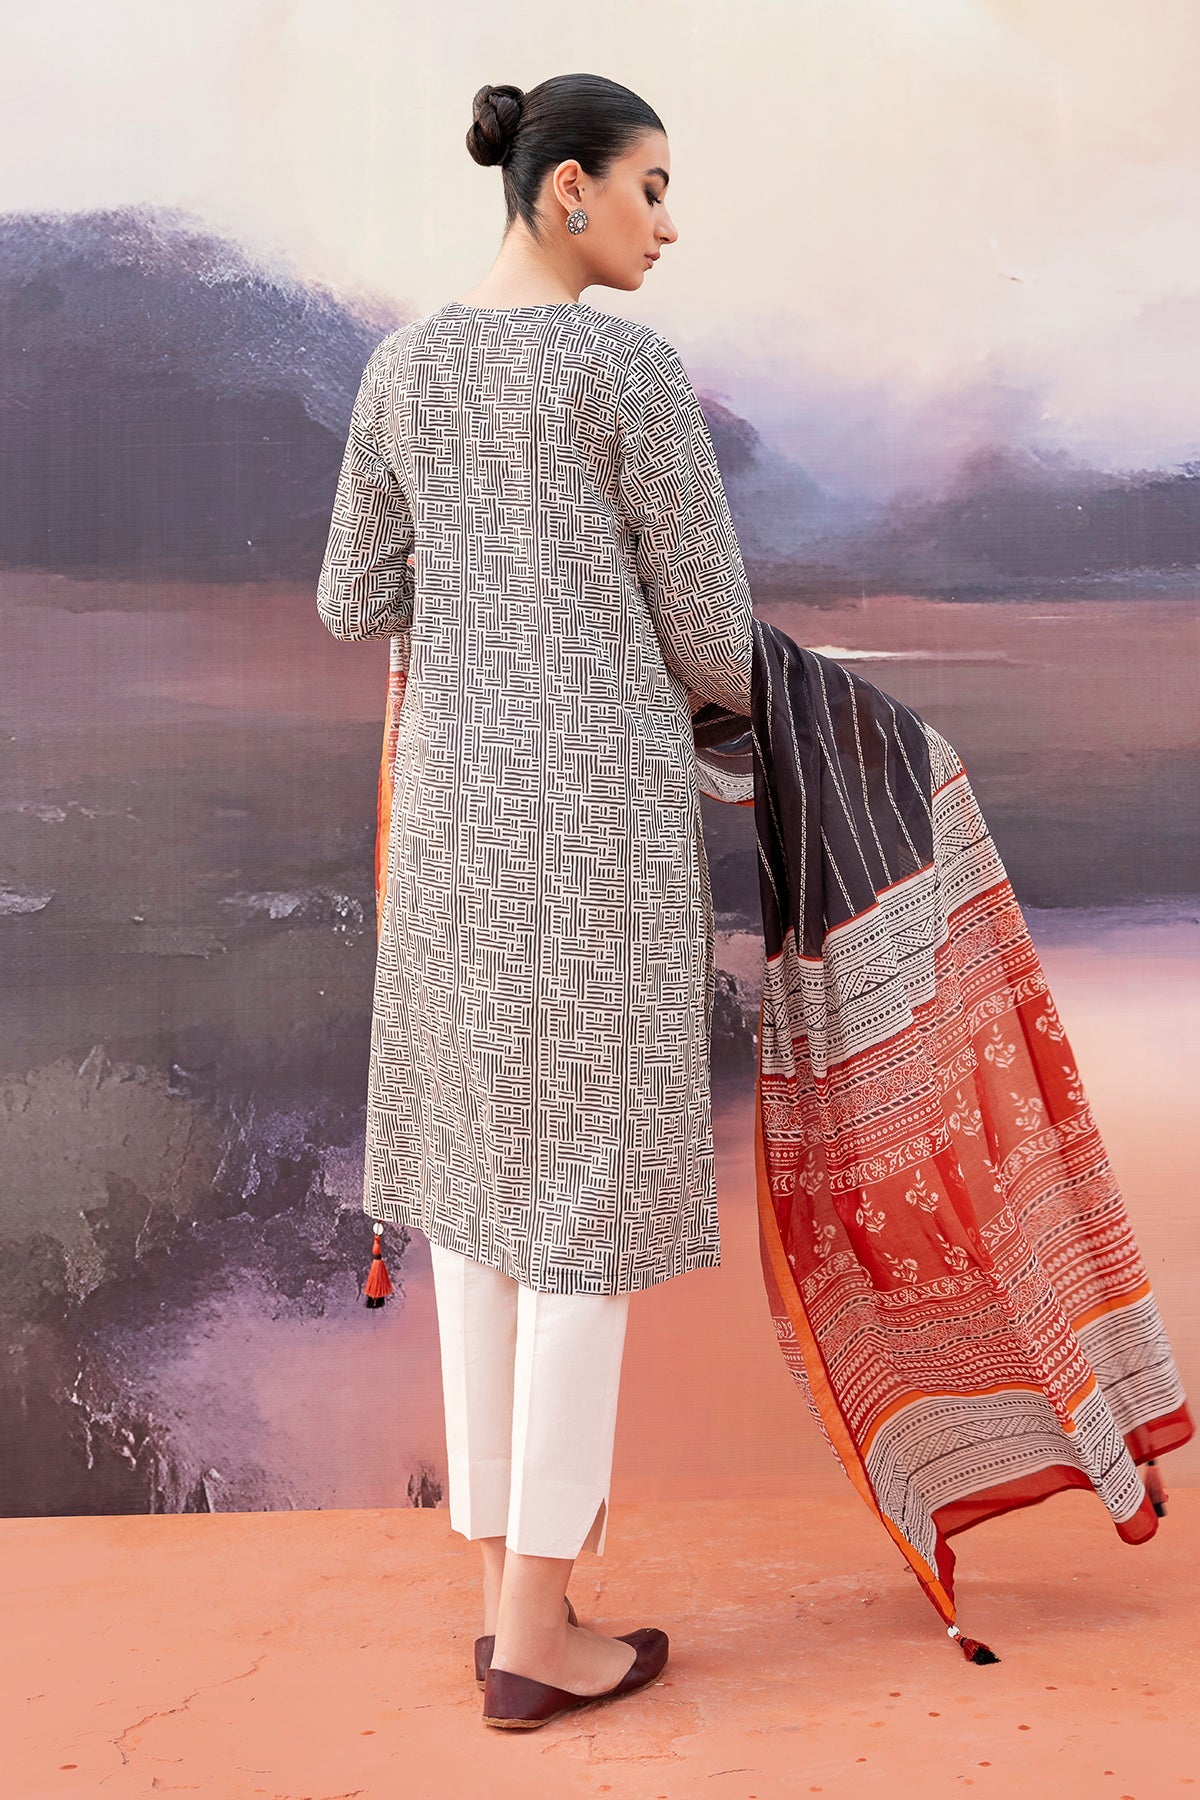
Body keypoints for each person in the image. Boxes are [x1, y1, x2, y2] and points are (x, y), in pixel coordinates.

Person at [316, 72, 755, 1730]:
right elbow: (712, 641)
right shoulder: (626, 373)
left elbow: (354, 593)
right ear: (566, 188)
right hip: (596, 831)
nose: (666, 222)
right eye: (651, 187)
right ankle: (535, 1638)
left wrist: (484, 579)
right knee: (584, 1210)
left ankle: (510, 1583)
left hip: (454, 833)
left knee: (484, 1200)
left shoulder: (399, 369)